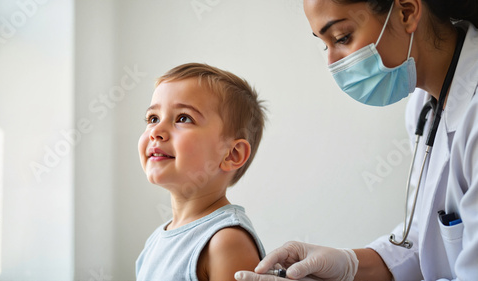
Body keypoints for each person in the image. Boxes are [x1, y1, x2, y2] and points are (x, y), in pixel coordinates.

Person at [235, 0, 478, 280]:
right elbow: (425, 237)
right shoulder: (423, 107)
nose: (332, 63)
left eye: (342, 38)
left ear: (407, 12)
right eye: (325, 45)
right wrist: (349, 265)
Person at [135, 63, 266, 281]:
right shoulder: (155, 241)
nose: (155, 131)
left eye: (183, 118)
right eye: (153, 118)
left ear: (232, 154)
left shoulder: (226, 241)